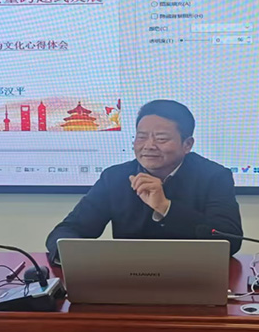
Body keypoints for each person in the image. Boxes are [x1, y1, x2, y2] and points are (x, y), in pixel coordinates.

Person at [46, 100, 243, 263]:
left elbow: (229, 241)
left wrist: (165, 207)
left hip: (193, 275)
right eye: (141, 137)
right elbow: (67, 231)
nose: (149, 146)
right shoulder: (115, 177)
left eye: (161, 138)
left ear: (187, 144)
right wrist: (81, 257)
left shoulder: (214, 176)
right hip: (129, 277)